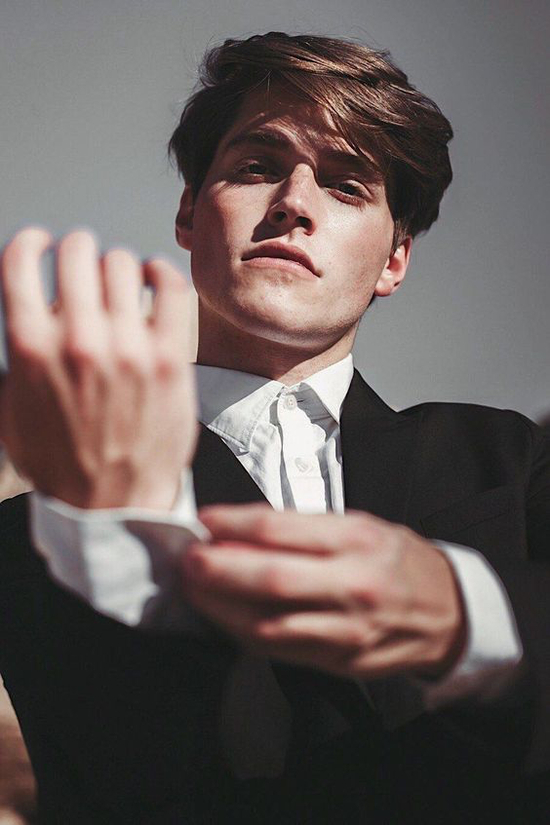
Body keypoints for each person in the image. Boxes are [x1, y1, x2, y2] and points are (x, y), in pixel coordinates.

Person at [0, 31, 548, 824]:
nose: (294, 202)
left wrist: (463, 610)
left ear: (395, 258)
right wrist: (123, 529)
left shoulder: (513, 458)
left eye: (346, 185)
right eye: (258, 166)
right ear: (189, 211)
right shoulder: (45, 529)